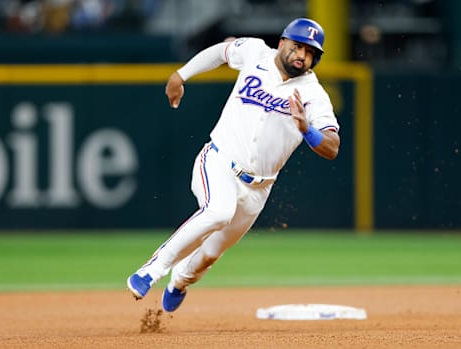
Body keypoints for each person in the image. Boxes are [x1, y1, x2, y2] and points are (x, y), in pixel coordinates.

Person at [127, 18, 340, 312]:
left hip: (259, 188)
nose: (301, 55)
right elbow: (219, 53)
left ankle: (179, 280)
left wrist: (308, 130)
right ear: (282, 43)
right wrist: (181, 74)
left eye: (310, 52)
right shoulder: (255, 53)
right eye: (297, 46)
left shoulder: (313, 94)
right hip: (219, 161)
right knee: (218, 211)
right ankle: (150, 271)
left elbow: (332, 147)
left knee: (210, 254)